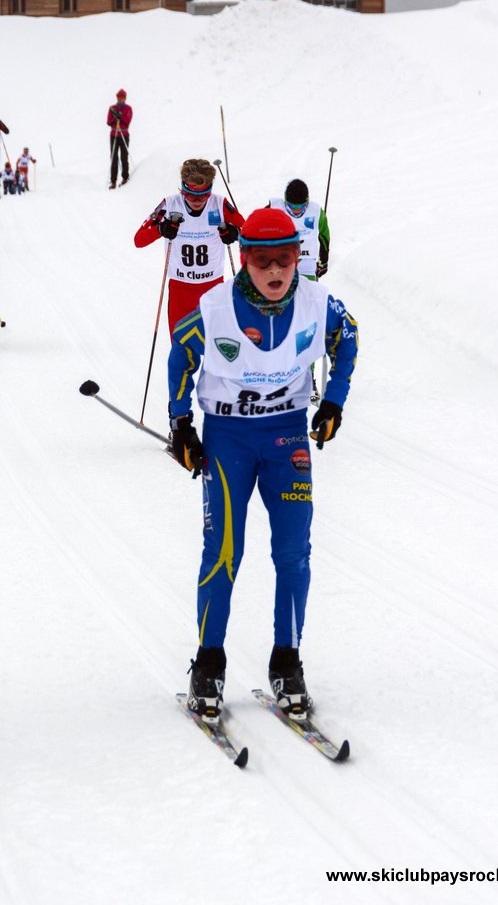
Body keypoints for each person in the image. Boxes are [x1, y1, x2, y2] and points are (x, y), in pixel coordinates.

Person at [167, 207, 358, 724]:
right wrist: (181, 424)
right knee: (225, 551)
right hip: (229, 439)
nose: (275, 272)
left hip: (288, 436)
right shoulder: (214, 308)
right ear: (244, 260)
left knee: (294, 552)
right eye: (263, 262)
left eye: (285, 260)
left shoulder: (319, 303)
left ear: (299, 257)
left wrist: (334, 402)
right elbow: (180, 357)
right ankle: (208, 663)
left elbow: (348, 339)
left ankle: (287, 660)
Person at [134, 158, 245, 336]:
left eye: (203, 195)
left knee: (216, 348)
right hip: (180, 291)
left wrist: (235, 233)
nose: (197, 201)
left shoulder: (219, 204)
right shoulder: (170, 205)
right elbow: (139, 240)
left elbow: (250, 235)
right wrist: (161, 229)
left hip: (213, 289)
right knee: (181, 348)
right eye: (190, 195)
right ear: (182, 188)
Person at [269, 178, 331, 279]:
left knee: (309, 293)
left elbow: (324, 235)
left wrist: (323, 261)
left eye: (301, 206)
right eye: (292, 206)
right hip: (280, 262)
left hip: (307, 263)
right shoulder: (274, 208)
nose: (296, 210)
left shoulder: (316, 211)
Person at [107, 89, 132, 188]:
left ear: (124, 98)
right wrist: (115, 117)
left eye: (121, 97)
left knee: (124, 156)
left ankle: (125, 178)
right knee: (113, 157)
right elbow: (109, 121)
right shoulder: (112, 108)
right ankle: (113, 181)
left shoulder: (128, 108)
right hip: (114, 135)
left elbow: (127, 121)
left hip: (124, 135)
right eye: (118, 97)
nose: (120, 99)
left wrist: (120, 117)